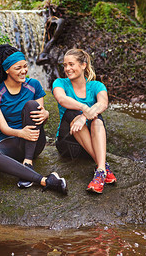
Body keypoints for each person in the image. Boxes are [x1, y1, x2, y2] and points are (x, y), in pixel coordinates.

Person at [0, 44, 67, 194]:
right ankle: (45, 180)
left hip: (34, 142)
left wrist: (46, 114)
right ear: (6, 70)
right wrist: (21, 133)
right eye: (18, 68)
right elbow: (4, 128)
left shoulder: (33, 85)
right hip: (10, 142)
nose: (24, 71)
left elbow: (39, 120)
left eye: (25, 66)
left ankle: (28, 162)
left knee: (31, 105)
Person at [52, 48, 117, 194]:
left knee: (97, 119)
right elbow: (62, 99)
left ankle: (100, 170)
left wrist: (84, 117)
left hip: (91, 146)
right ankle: (103, 166)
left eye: (71, 64)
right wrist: (83, 108)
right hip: (69, 144)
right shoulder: (60, 83)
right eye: (65, 65)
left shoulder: (96, 86)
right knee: (71, 112)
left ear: (83, 65)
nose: (67, 69)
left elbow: (103, 104)